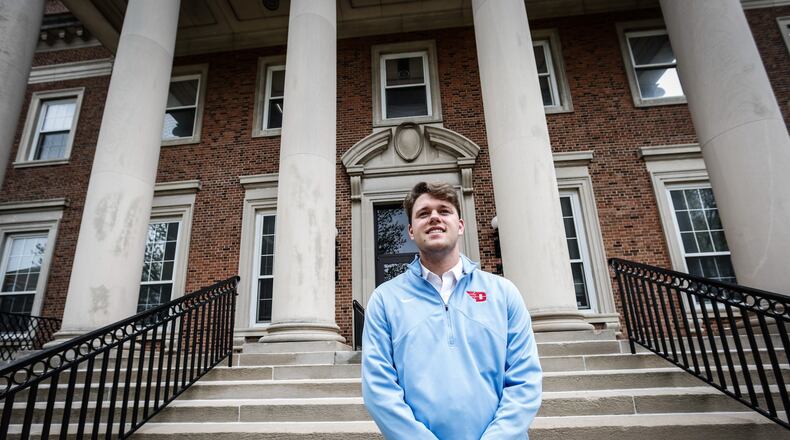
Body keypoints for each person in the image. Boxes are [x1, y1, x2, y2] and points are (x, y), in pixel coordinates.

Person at [361, 181, 542, 440]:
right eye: (423, 213)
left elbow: (525, 380)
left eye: (444, 211)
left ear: (460, 225)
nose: (434, 217)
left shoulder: (503, 293)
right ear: (411, 231)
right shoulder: (384, 300)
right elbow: (379, 390)